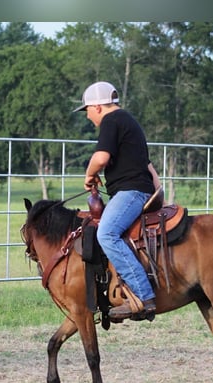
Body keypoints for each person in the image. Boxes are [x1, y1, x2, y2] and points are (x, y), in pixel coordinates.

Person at [74, 80, 161, 322]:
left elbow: (100, 158)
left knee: (106, 234)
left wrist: (90, 175)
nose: (88, 116)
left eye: (88, 110)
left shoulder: (112, 121)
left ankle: (143, 297)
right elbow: (147, 165)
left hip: (131, 191)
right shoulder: (128, 121)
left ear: (98, 107)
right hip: (136, 189)